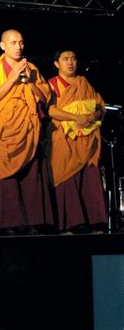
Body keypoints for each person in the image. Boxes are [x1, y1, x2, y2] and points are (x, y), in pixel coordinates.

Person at [0, 29, 54, 235]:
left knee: (31, 177)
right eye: (13, 43)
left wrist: (30, 82)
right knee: (6, 179)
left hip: (28, 129)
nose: (19, 47)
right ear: (3, 46)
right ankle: (8, 224)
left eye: (21, 43)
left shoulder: (31, 68)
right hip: (3, 131)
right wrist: (13, 78)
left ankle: (32, 222)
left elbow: (45, 99)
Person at [44, 49, 107, 234]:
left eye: (73, 59)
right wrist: (75, 117)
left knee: (90, 178)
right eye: (65, 59)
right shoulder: (52, 84)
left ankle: (95, 223)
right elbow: (51, 110)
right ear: (57, 64)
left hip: (87, 138)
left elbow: (100, 106)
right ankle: (69, 225)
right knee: (65, 177)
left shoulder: (83, 82)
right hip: (64, 138)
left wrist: (94, 115)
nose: (70, 63)